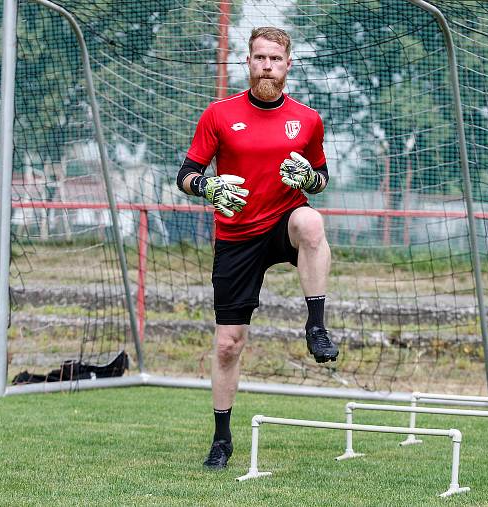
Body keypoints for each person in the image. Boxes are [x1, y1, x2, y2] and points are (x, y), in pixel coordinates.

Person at [176, 27, 339, 469]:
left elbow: (321, 179)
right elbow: (185, 174)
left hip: (283, 221)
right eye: (259, 58)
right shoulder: (219, 114)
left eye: (275, 59)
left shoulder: (308, 119)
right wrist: (207, 186)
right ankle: (222, 438)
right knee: (229, 343)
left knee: (311, 220)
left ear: (288, 65)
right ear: (248, 62)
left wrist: (309, 180)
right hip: (237, 233)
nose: (267, 65)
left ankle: (316, 326)